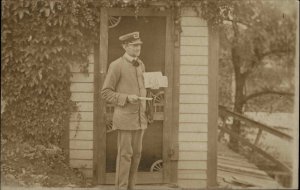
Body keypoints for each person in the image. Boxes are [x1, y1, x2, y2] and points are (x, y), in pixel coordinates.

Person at [101, 31, 148, 190]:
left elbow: (141, 87)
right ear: (125, 46)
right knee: (125, 156)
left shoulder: (141, 64)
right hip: (125, 119)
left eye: (139, 45)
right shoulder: (116, 65)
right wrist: (126, 98)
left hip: (140, 119)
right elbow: (105, 92)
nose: (138, 48)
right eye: (134, 45)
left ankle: (131, 188)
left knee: (136, 156)